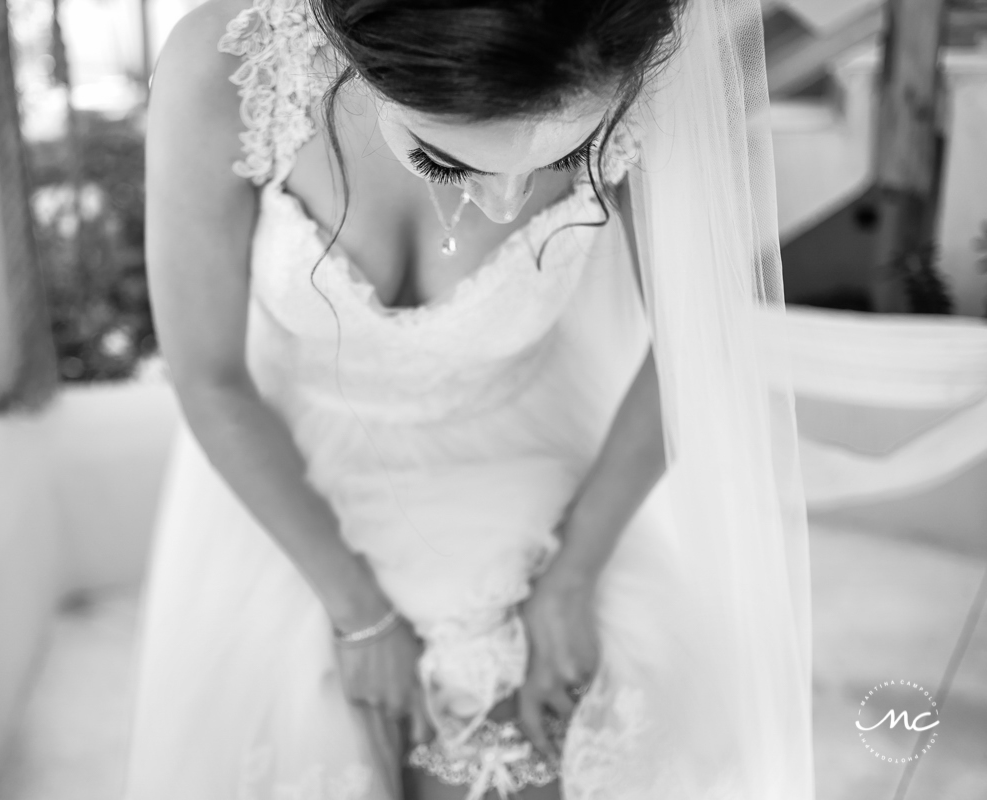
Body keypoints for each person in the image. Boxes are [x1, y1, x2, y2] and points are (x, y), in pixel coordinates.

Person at [123, 0, 815, 797]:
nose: (506, 203)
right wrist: (360, 613)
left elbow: (698, 356)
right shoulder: (225, 69)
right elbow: (208, 378)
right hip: (285, 474)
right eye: (446, 163)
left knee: (537, 751)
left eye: (577, 150)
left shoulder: (646, 60)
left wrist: (572, 576)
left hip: (526, 461)